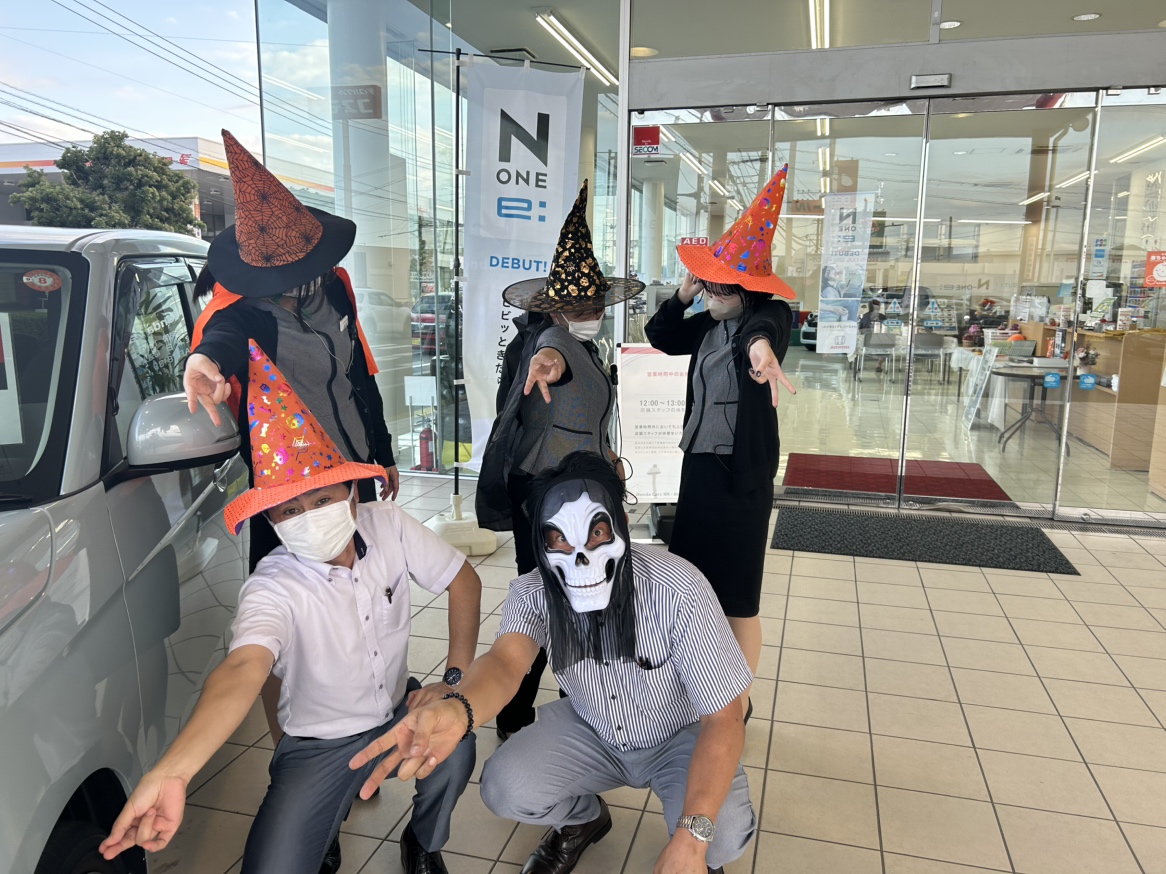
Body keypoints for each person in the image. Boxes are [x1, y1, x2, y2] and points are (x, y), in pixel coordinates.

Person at [99, 345, 481, 874]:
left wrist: (453, 679)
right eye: (290, 510)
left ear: (351, 493)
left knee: (459, 742)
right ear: (273, 522)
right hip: (318, 743)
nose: (309, 517)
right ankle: (322, 831)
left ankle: (422, 840)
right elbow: (243, 668)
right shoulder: (272, 584)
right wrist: (175, 770)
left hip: (399, 708)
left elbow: (463, 580)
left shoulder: (388, 526)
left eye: (322, 499)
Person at [354, 452, 756, 874]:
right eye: (559, 538)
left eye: (596, 532)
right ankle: (583, 820)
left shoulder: (678, 587)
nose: (580, 556)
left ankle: (694, 845)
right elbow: (505, 663)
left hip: (681, 736)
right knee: (505, 786)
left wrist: (692, 839)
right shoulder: (533, 592)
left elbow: (724, 717)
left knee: (719, 836)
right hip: (595, 728)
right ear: (540, 541)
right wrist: (460, 707)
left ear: (621, 523)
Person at [186, 129, 400, 753]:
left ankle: (363, 724)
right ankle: (292, 752)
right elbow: (221, 341)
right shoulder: (243, 312)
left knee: (361, 601)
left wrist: (382, 454)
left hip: (350, 476)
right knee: (288, 622)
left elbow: (359, 375)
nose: (303, 276)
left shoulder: (335, 288)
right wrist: (204, 362)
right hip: (288, 494)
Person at [476, 181, 643, 740]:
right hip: (549, 494)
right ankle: (519, 712)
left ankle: (570, 704)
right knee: (553, 597)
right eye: (580, 306)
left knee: (574, 594)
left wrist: (607, 454)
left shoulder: (584, 344)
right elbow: (551, 359)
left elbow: (583, 413)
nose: (590, 313)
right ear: (556, 308)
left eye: (595, 305)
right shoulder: (552, 341)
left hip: (578, 488)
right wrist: (546, 362)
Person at [645, 166, 796, 718]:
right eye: (707, 281)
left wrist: (761, 352)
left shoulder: (769, 315)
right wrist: (684, 294)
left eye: (719, 283)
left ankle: (736, 705)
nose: (710, 290)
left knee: (737, 598)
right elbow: (661, 336)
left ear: (746, 290)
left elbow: (765, 331)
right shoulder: (709, 322)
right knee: (693, 586)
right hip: (700, 473)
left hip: (741, 478)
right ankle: (698, 687)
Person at [859, 300, 886, 373]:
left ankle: (878, 364)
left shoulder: (865, 316)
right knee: (885, 346)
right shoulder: (882, 317)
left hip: (868, 343)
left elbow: (860, 329)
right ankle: (879, 364)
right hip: (877, 342)